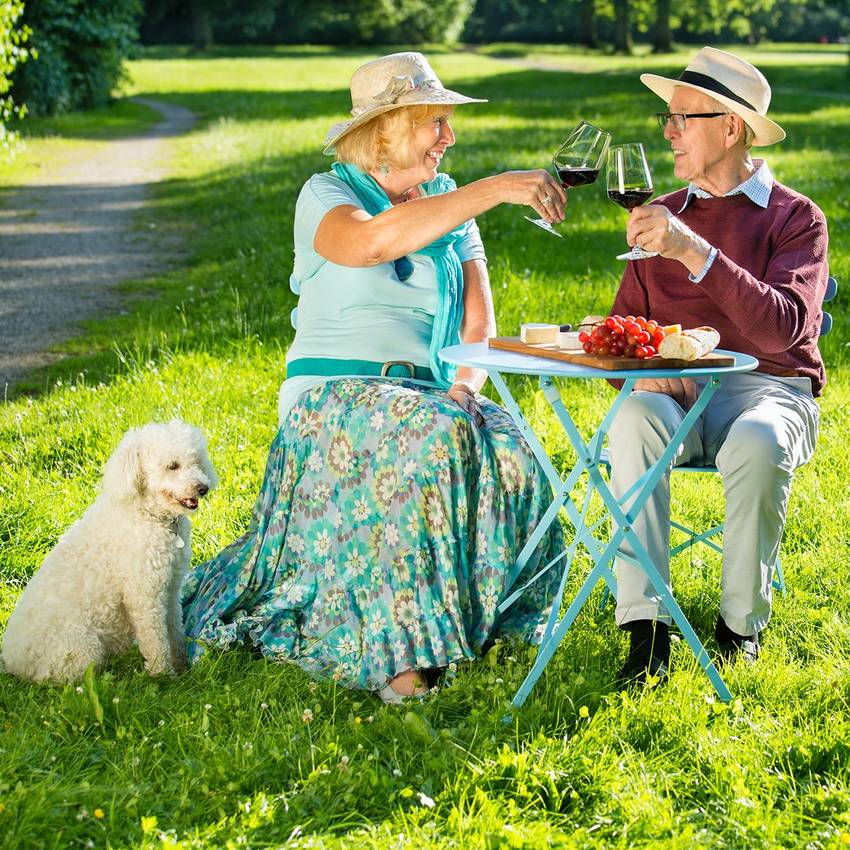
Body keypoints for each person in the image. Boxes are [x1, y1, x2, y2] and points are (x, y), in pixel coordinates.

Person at [181, 52, 568, 702]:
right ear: (386, 131)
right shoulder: (324, 195)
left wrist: (465, 390)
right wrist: (496, 186)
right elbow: (370, 244)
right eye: (435, 123)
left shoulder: (451, 207)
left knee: (509, 442)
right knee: (431, 438)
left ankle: (501, 631)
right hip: (331, 397)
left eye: (448, 123)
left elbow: (479, 326)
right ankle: (403, 663)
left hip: (431, 397)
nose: (450, 137)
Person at [607, 47, 828, 684]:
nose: (668, 132)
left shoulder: (795, 218)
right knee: (634, 418)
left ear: (731, 127)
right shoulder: (663, 216)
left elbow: (785, 328)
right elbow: (629, 331)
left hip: (769, 389)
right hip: (679, 393)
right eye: (666, 119)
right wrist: (641, 368)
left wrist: (693, 251)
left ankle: (739, 628)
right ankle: (646, 629)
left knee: (758, 441)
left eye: (683, 118)